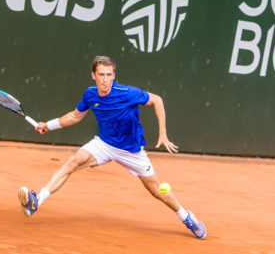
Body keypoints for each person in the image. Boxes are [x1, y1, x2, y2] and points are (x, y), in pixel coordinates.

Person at [18, 55, 206, 239]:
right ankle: (36, 201)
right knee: (73, 161)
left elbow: (157, 100)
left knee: (157, 191)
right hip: (105, 143)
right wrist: (48, 125)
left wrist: (163, 133)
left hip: (131, 150)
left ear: (114, 76)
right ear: (93, 75)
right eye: (101, 75)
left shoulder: (127, 93)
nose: (105, 79)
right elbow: (75, 116)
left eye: (109, 75)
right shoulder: (90, 94)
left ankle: (186, 217)